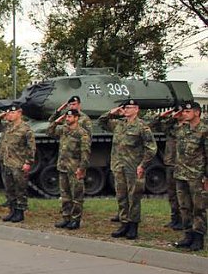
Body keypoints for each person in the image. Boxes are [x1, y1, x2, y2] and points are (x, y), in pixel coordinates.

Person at [99, 99, 157, 240]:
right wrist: (111, 113)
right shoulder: (118, 124)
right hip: (119, 166)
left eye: (128, 107)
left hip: (134, 167)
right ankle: (124, 223)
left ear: (136, 109)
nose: (125, 110)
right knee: (121, 196)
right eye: (124, 107)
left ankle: (133, 225)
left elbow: (151, 148)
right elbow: (101, 122)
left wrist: (143, 165)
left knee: (134, 197)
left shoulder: (142, 127)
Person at [172, 102, 207, 252]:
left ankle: (198, 237)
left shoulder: (204, 130)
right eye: (183, 111)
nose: (184, 113)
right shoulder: (182, 129)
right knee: (184, 207)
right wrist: (173, 117)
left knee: (198, 207)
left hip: (197, 175)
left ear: (197, 113)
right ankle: (188, 235)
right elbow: (161, 127)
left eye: (188, 111)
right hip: (181, 174)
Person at [47, 108, 91, 229]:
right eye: (66, 116)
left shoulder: (82, 133)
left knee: (77, 195)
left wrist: (81, 169)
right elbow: (49, 132)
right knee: (65, 194)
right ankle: (66, 217)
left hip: (75, 168)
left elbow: (85, 153)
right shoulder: (63, 130)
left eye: (70, 117)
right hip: (63, 167)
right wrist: (57, 121)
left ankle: (75, 220)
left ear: (76, 118)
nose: (67, 118)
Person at [0, 103, 36, 223]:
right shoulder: (7, 126)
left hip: (18, 163)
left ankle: (20, 212)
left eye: (12, 112)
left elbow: (31, 147)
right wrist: (1, 116)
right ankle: (12, 211)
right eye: (9, 113)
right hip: (6, 162)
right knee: (9, 188)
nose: (10, 115)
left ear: (19, 113)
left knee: (20, 189)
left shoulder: (25, 129)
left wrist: (28, 162)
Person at [146, 108, 183, 229]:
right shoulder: (171, 127)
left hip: (184, 165)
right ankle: (175, 219)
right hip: (171, 164)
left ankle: (185, 220)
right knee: (172, 194)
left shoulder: (190, 128)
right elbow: (152, 126)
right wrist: (164, 116)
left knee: (183, 195)